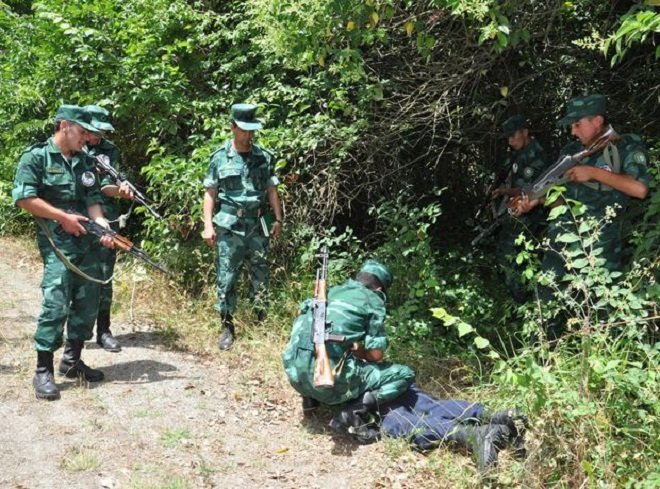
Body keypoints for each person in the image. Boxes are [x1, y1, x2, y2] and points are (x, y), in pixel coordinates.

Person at [514, 95, 650, 337]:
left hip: (601, 243)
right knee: (546, 301)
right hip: (562, 239)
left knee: (601, 311)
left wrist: (594, 173)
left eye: (577, 124)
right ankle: (545, 359)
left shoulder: (625, 145)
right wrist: (532, 202)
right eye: (571, 125)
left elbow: (639, 189)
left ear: (597, 120)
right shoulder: (571, 152)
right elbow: (556, 194)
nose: (572, 131)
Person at [12, 104, 115, 400]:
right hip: (57, 243)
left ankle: (72, 360)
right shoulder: (36, 158)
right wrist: (62, 217)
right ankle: (43, 369)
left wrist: (103, 226)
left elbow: (94, 200)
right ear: (64, 126)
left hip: (87, 242)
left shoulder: (85, 161)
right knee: (56, 302)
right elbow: (24, 198)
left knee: (87, 301)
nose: (86, 138)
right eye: (82, 132)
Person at [282, 259, 416, 430]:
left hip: (294, 374)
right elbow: (376, 355)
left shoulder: (332, 291)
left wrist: (351, 348)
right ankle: (353, 413)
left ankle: (310, 398)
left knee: (318, 350)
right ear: (379, 288)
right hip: (328, 384)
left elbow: (301, 313)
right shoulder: (373, 301)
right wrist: (362, 353)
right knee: (404, 374)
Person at [202, 103, 284, 350]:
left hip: (258, 224)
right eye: (244, 130)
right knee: (227, 276)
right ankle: (227, 326)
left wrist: (278, 219)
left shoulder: (264, 157)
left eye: (252, 131)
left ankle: (261, 322)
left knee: (261, 274)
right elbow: (210, 193)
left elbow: (271, 189)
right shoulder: (219, 157)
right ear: (232, 127)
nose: (249, 135)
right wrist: (208, 225)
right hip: (230, 225)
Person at [334, 384, 527, 473]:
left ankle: (476, 434)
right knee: (432, 408)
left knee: (402, 422)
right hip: (393, 382)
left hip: (379, 390)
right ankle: (500, 418)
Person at [85, 104, 133, 352]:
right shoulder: (71, 146)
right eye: (96, 130)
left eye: (103, 131)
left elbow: (106, 185)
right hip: (74, 218)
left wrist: (123, 192)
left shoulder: (109, 150)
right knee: (71, 276)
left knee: (105, 274)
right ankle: (73, 331)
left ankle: (103, 330)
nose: (99, 136)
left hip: (104, 217)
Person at [491, 114, 549, 302]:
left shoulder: (536, 155)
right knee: (509, 256)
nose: (510, 141)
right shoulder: (519, 153)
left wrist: (506, 192)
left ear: (525, 132)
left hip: (531, 214)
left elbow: (529, 189)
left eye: (513, 136)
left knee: (508, 256)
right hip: (519, 212)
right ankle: (523, 299)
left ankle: (524, 301)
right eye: (507, 137)